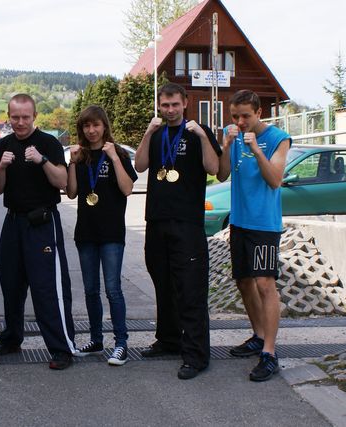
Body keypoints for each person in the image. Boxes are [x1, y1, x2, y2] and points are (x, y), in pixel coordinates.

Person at [134, 83, 220, 379]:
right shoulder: (156, 133)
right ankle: (169, 339)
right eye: (164, 105)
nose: (169, 110)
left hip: (188, 224)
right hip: (157, 220)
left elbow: (214, 168)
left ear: (185, 104)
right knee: (163, 284)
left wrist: (202, 137)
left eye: (174, 105)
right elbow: (141, 165)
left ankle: (196, 355)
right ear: (159, 106)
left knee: (191, 289)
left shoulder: (199, 131)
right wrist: (147, 132)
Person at [0, 93, 76, 370]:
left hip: (42, 222)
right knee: (11, 284)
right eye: (14, 117)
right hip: (13, 221)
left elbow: (63, 181)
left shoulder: (48, 143)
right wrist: (2, 166)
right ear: (8, 116)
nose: (20, 122)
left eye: (25, 117)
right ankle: (12, 338)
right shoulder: (3, 144)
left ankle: (61, 348)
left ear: (34, 116)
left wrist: (41, 160)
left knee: (47, 287)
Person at [217, 89, 291, 382]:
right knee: (244, 281)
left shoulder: (278, 138)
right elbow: (222, 175)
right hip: (240, 222)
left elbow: (275, 180)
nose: (240, 121)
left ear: (260, 113)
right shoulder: (231, 133)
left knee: (264, 283)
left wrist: (258, 150)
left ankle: (270, 353)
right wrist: (226, 145)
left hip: (264, 224)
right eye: (235, 116)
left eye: (245, 116)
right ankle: (258, 336)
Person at [66, 105, 136, 366]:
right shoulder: (80, 156)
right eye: (86, 126)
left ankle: (121, 343)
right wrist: (72, 163)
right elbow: (72, 192)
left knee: (113, 289)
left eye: (96, 125)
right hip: (85, 232)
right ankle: (96, 339)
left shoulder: (116, 153)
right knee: (90, 290)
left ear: (104, 126)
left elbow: (127, 189)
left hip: (111, 233)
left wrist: (115, 158)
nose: (91, 130)